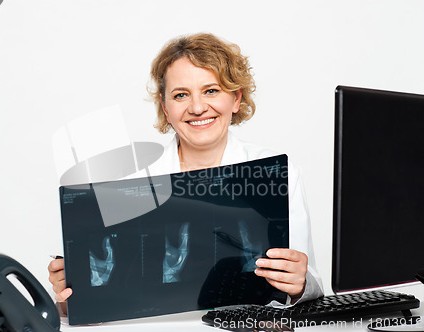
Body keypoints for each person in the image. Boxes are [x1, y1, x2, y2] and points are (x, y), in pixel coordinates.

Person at [48, 33, 324, 308]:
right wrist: (69, 296)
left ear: (236, 99)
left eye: (211, 91)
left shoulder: (280, 174)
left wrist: (300, 285)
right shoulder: (127, 186)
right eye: (181, 95)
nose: (197, 107)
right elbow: (103, 299)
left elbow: (310, 285)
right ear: (166, 108)